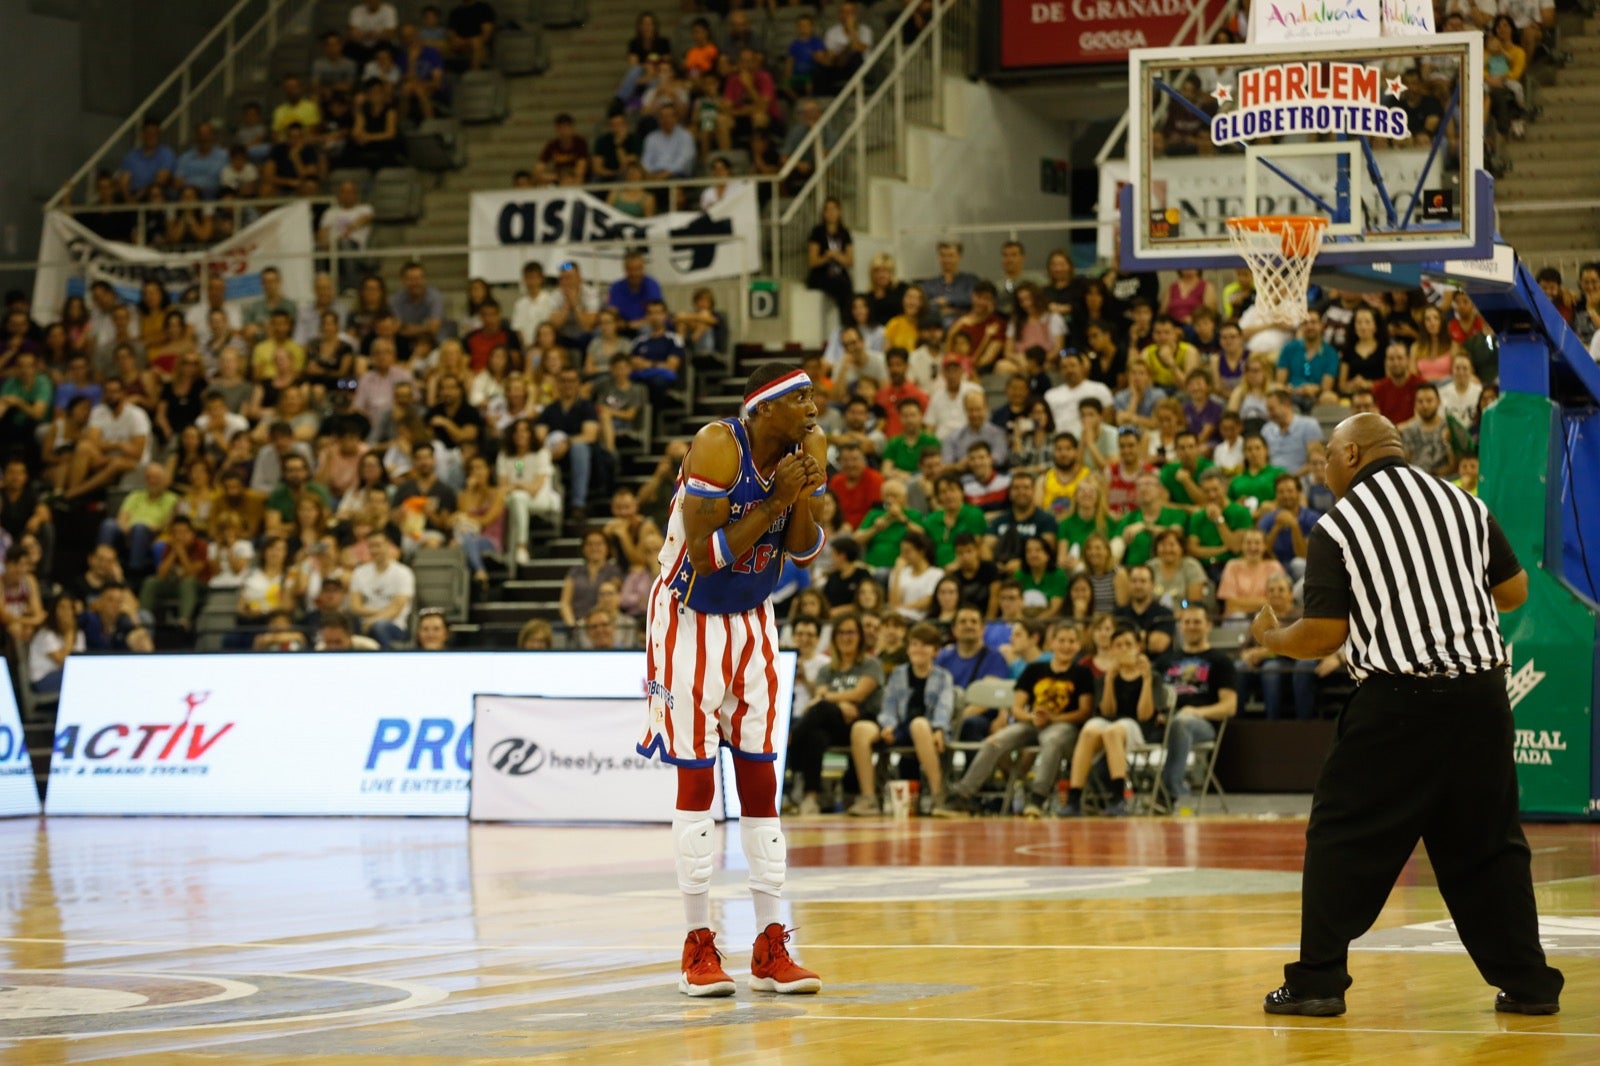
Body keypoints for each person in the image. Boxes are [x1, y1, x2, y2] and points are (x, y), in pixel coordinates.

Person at [1250, 412, 1562, 1018]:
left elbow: (1321, 636)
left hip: (1398, 704)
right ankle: (1528, 986)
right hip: (1481, 699)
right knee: (1489, 847)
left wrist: (1273, 637)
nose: (1326, 472)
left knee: (1342, 836)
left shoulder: (1339, 524)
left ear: (1354, 456)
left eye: (1329, 459)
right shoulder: (1464, 505)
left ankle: (1317, 981)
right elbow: (1515, 591)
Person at [635, 362, 828, 998]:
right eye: (799, 397)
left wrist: (799, 497)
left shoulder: (807, 449)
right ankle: (698, 946)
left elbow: (801, 552)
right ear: (764, 408)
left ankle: (771, 944)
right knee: (696, 782)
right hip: (689, 616)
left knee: (760, 778)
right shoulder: (719, 444)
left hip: (753, 619)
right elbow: (704, 555)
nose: (812, 406)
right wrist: (774, 500)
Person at [935, 620, 1094, 818]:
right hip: (1032, 723)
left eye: (1072, 641)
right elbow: (1016, 708)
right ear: (1052, 643)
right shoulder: (1035, 670)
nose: (1066, 646)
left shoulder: (1082, 673)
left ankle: (1037, 798)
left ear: (1078, 646)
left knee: (1051, 740)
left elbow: (1085, 711)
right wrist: (1032, 717)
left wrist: (1053, 718)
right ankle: (963, 795)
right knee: (995, 741)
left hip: (1064, 726)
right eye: (1062, 640)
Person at [848, 622, 954, 816]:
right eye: (914, 644)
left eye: (925, 645)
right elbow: (888, 705)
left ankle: (939, 796)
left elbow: (944, 708)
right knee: (860, 728)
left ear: (935, 651)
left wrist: (939, 728)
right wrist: (887, 725)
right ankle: (868, 798)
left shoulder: (943, 677)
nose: (918, 649)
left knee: (919, 724)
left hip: (926, 729)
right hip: (898, 726)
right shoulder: (898, 674)